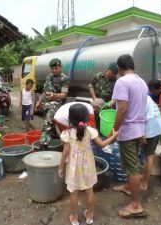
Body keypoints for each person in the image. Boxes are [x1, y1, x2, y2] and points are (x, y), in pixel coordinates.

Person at [58, 103, 118, 225]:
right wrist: (115, 135)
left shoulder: (67, 134)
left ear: (70, 119)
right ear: (86, 118)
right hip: (88, 166)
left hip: (73, 168)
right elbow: (102, 144)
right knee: (89, 191)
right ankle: (89, 216)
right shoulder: (91, 131)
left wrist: (60, 167)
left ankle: (74, 218)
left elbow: (65, 153)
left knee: (73, 192)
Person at [111, 54, 148, 218]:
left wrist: (114, 129)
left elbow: (122, 109)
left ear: (119, 68)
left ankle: (135, 205)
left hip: (128, 130)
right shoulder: (142, 82)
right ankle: (127, 186)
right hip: (139, 128)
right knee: (131, 163)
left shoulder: (122, 81)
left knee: (132, 167)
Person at [35, 58, 69, 143]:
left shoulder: (64, 79)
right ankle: (56, 141)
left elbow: (64, 95)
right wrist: (38, 103)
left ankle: (44, 143)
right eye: (52, 68)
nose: (54, 70)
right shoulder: (48, 77)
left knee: (47, 124)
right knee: (52, 126)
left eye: (56, 68)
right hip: (46, 105)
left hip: (56, 104)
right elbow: (44, 91)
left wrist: (54, 95)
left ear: (60, 67)